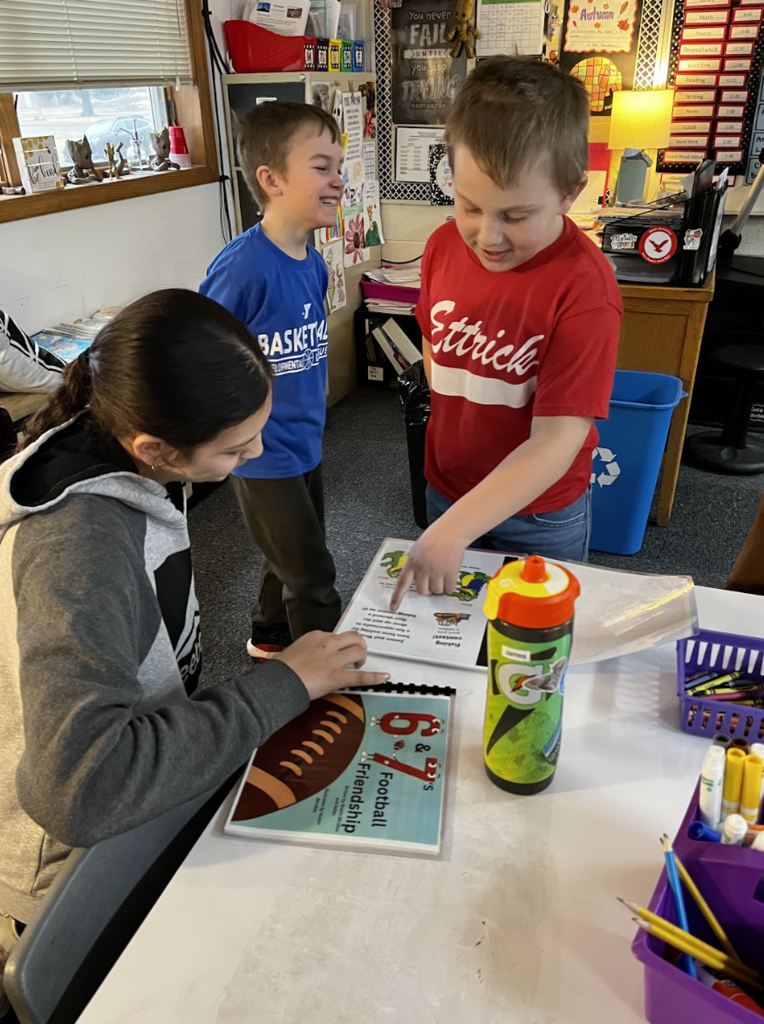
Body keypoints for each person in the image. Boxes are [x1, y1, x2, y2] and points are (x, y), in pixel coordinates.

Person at [0, 290, 387, 1016]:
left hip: (137, 792)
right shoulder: (78, 548)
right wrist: (282, 686)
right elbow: (82, 789)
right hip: (73, 870)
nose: (256, 456)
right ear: (156, 448)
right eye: (236, 449)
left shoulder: (127, 451)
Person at [391, 57, 623, 611]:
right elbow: (434, 346)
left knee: (533, 638)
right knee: (449, 630)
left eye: (515, 216)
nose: (487, 236)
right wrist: (453, 515)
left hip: (539, 512)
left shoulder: (585, 289)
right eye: (470, 206)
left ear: (569, 192)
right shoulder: (443, 246)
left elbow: (556, 440)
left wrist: (454, 529)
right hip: (448, 485)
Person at [200, 101, 345, 659]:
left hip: (305, 439)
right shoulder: (243, 268)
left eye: (338, 166)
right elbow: (202, 350)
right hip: (262, 453)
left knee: (291, 549)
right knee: (313, 575)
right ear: (271, 180)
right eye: (322, 167)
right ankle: (318, 679)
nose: (338, 180)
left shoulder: (313, 263)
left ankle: (270, 634)